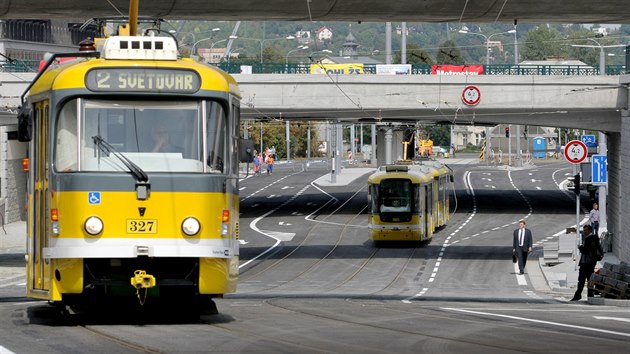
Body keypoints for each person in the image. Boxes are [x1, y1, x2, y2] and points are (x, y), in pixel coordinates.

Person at [571, 224, 603, 301]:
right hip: (592, 262)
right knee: (590, 279)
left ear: (590, 230)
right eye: (584, 230)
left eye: (586, 230)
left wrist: (580, 247)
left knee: (581, 280)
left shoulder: (589, 239)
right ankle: (590, 295)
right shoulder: (595, 238)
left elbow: (585, 250)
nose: (584, 232)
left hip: (586, 262)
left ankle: (578, 295)